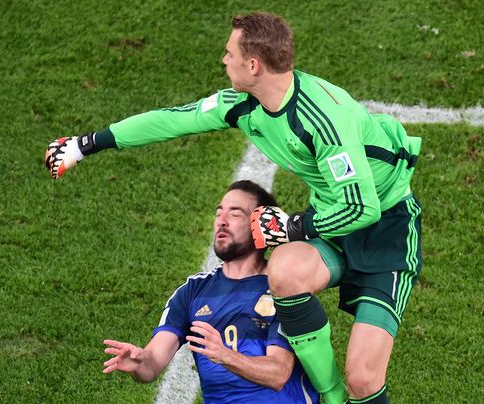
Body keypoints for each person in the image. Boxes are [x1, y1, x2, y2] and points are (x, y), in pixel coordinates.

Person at [47, 12, 422, 404]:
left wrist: (291, 228)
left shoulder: (324, 121)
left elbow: (363, 208)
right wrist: (85, 145)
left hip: (385, 231)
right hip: (329, 217)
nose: (223, 61)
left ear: (254, 65)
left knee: (363, 378)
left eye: (229, 54)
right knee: (284, 270)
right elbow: (174, 120)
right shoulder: (245, 103)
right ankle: (331, 398)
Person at [102, 180, 319, 404]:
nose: (222, 222)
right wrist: (138, 363)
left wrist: (225, 355)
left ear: (261, 227)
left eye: (235, 214)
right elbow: (152, 365)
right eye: (219, 213)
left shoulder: (284, 289)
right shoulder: (192, 292)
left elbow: (278, 373)